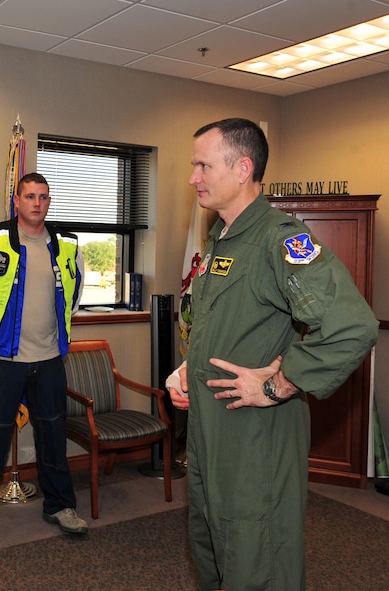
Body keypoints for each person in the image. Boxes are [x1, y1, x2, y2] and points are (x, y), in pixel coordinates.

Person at [168, 118, 378, 591]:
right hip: (210, 430)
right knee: (214, 547)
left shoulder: (279, 239)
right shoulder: (223, 239)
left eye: (202, 165)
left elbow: (352, 327)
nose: (192, 177)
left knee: (256, 558)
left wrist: (276, 385)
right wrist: (187, 369)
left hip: (255, 437)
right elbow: (232, 324)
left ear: (242, 169)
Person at [0, 172, 87, 554]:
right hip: (2, 362)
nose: (37, 204)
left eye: (44, 197)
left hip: (48, 361)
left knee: (53, 438)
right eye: (30, 196)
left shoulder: (67, 247)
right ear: (17, 200)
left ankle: (60, 506)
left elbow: (73, 299)